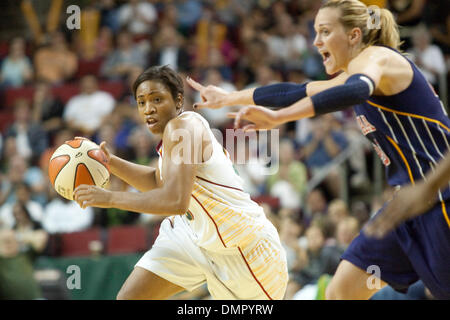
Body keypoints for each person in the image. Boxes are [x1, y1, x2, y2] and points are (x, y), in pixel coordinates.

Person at [187, 0, 450, 300]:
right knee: (341, 292)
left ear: (353, 36)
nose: (316, 41)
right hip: (406, 204)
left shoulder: (378, 59)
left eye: (325, 31)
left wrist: (279, 117)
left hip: (442, 195)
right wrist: (229, 98)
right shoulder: (353, 72)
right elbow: (296, 91)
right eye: (315, 32)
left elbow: (356, 90)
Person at [73, 65, 288, 300]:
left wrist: (110, 198)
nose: (149, 109)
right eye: (141, 102)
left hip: (245, 250)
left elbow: (175, 201)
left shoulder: (184, 128)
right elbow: (159, 182)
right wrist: (110, 163)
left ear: (178, 101)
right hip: (195, 237)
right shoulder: (173, 135)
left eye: (157, 99)